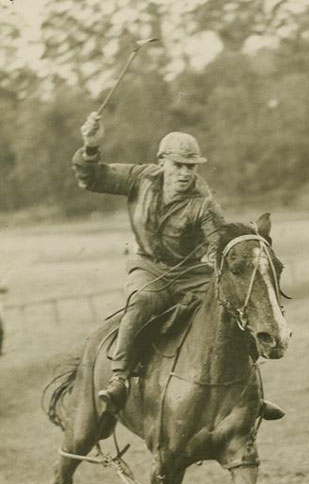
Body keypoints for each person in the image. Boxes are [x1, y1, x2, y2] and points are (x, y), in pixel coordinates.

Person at [72, 112, 284, 419]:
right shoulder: (140, 178)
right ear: (162, 163)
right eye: (178, 166)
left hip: (191, 275)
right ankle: (119, 378)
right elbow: (92, 178)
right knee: (141, 304)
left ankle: (253, 391)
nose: (185, 173)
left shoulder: (204, 202)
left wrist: (223, 258)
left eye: (191, 167)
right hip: (149, 268)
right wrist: (90, 146)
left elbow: (217, 242)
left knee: (226, 310)